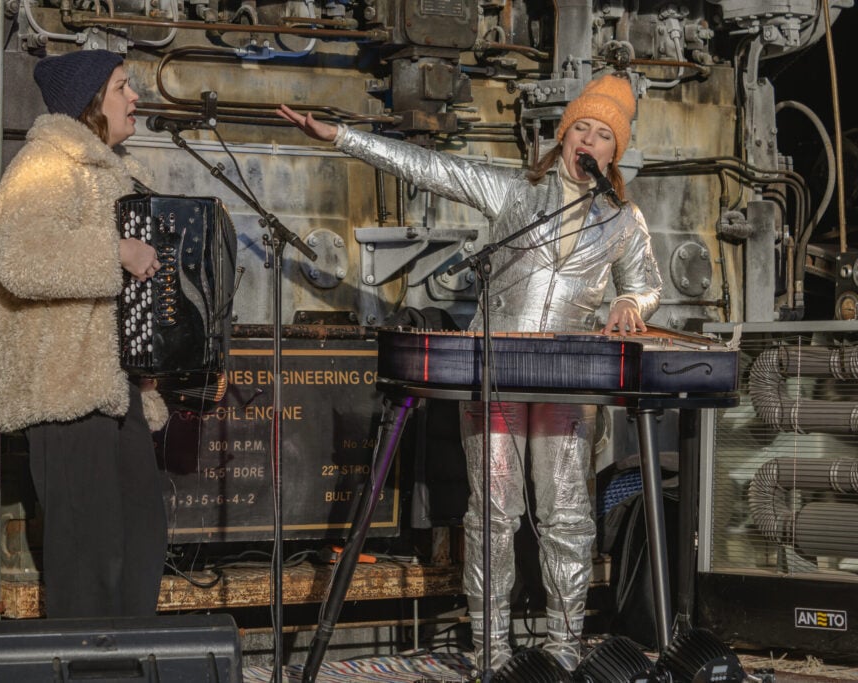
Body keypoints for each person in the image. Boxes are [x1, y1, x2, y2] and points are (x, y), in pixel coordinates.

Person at [276, 72, 661, 671]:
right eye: (579, 129)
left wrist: (629, 304)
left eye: (602, 135)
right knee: (493, 514)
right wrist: (344, 138)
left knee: (565, 515)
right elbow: (429, 168)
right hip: (494, 373)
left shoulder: (621, 220)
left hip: (566, 379)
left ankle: (563, 652)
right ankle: (491, 653)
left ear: (615, 153)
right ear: (561, 138)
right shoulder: (515, 195)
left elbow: (645, 286)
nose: (588, 141)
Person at [0, 49, 171, 618]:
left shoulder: (121, 174)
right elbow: (20, 259)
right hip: (65, 390)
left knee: (143, 540)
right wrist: (114, 251)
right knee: (90, 557)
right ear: (92, 102)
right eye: (123, 87)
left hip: (120, 391)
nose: (135, 96)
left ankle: (131, 664)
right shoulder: (45, 165)